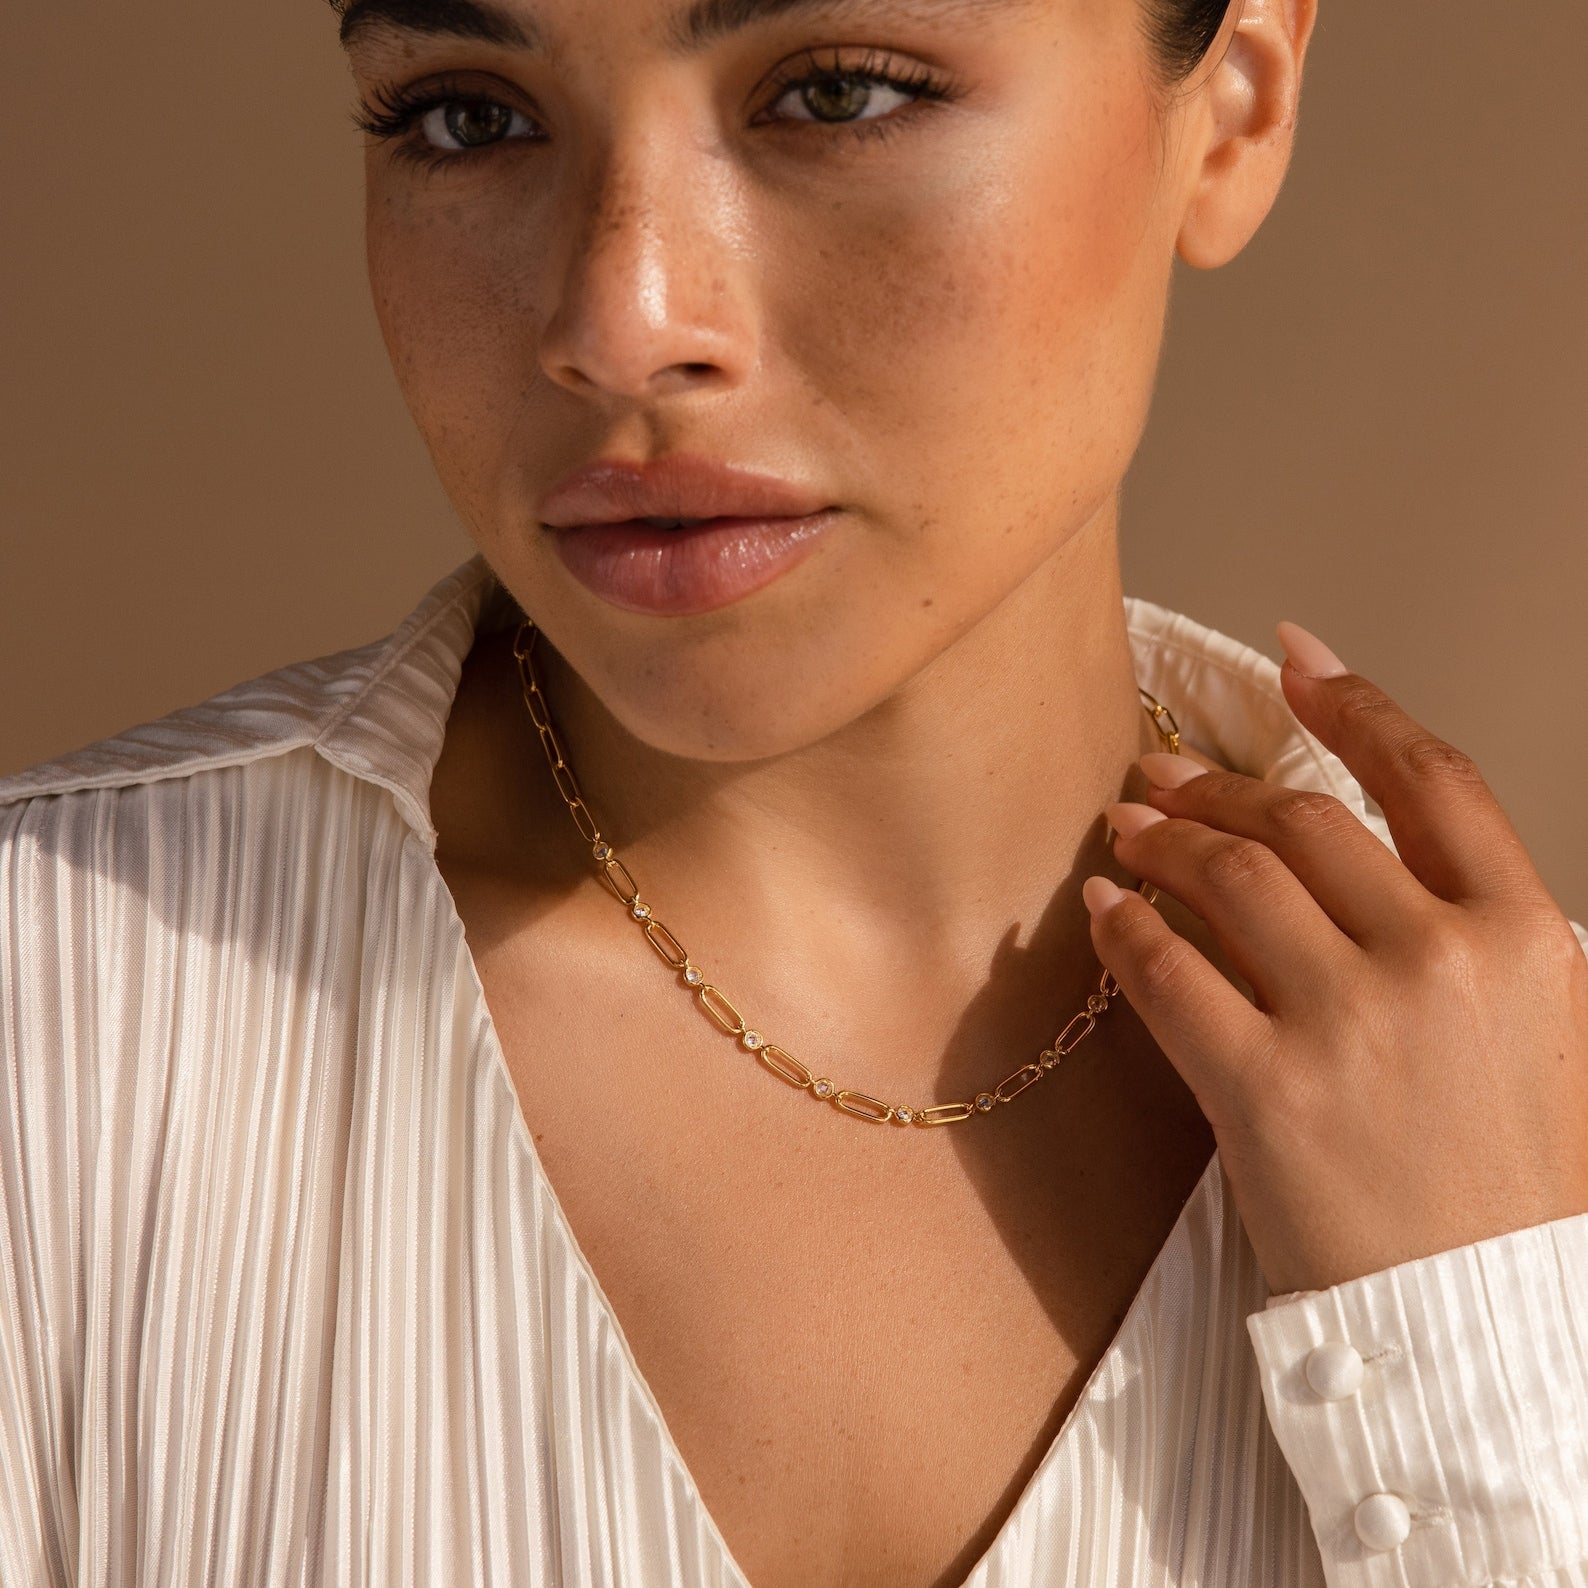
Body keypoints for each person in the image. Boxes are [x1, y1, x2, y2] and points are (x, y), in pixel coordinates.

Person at [2, 0, 1585, 1583]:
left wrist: (1488, 1352)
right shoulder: (60, 1021)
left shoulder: (1533, 1144)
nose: (619, 321)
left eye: (837, 94)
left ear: (1235, 102)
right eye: (466, 115)